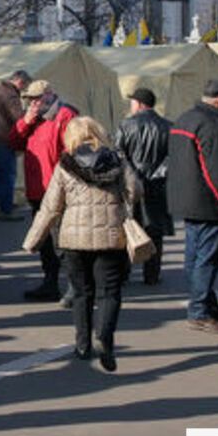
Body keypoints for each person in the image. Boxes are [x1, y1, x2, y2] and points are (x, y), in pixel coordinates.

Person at [24, 117, 137, 372]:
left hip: (73, 238)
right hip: (111, 237)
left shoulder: (66, 164)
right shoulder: (117, 160)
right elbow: (134, 190)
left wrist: (33, 240)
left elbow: (51, 206)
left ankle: (83, 345)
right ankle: (105, 337)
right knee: (109, 292)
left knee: (81, 292)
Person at [167, 80, 218, 334]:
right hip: (209, 202)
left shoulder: (184, 119)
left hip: (188, 199)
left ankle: (208, 304)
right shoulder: (213, 125)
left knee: (195, 258)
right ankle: (199, 310)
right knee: (207, 259)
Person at [9, 80, 79, 302]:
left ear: (50, 95)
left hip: (58, 189)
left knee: (63, 240)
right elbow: (13, 142)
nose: (33, 103)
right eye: (30, 99)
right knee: (45, 241)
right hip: (37, 189)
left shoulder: (65, 116)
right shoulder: (32, 119)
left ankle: (74, 287)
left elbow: (74, 151)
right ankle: (50, 283)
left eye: (37, 99)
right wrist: (25, 122)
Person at [114, 88, 172, 285]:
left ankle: (123, 272)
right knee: (154, 231)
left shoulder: (126, 125)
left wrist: (132, 176)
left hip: (131, 185)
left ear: (139, 103)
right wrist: (157, 174)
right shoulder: (167, 126)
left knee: (127, 227)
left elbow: (119, 155)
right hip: (158, 185)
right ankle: (152, 275)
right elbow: (173, 157)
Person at [0, 69, 31, 220]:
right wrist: (30, 113)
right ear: (19, 81)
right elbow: (19, 117)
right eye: (24, 86)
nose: (23, 89)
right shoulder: (10, 94)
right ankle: (6, 208)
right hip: (4, 139)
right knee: (9, 174)